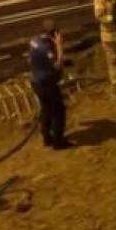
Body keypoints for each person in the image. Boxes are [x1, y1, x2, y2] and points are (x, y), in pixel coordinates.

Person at [29, 20, 72, 149]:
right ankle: (58, 142)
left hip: (35, 81)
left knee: (45, 109)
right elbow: (58, 64)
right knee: (57, 110)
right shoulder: (47, 47)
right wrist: (59, 46)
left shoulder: (34, 40)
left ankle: (47, 138)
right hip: (47, 82)